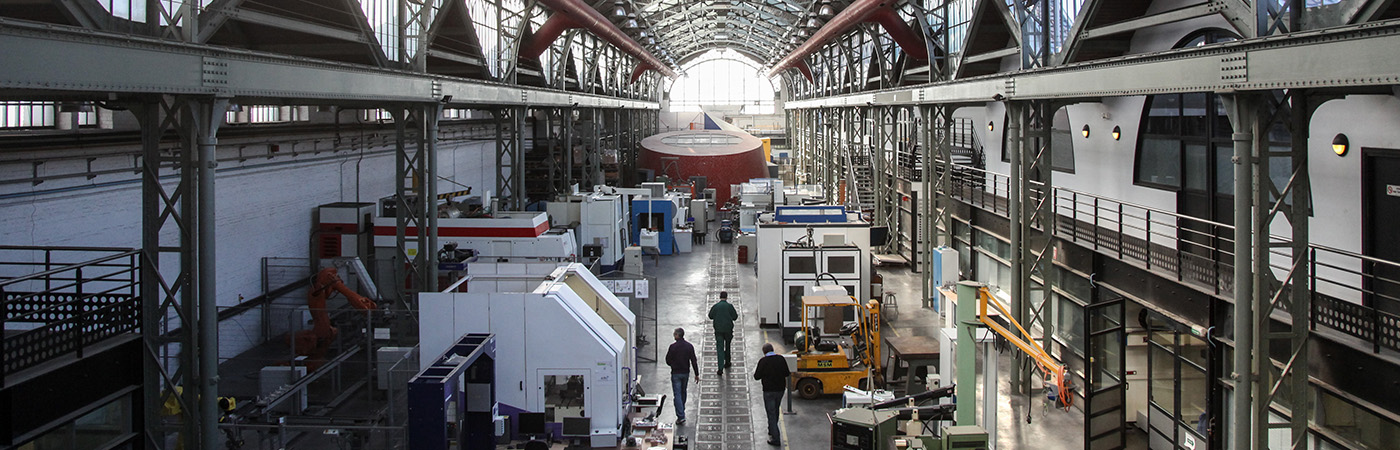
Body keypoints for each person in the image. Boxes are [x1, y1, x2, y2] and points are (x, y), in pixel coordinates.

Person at [753, 343, 791, 446]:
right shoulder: (781, 359)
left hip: (768, 391)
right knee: (775, 411)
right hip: (780, 390)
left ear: (764, 352)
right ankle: (772, 429)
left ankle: (776, 438)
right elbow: (787, 373)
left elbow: (756, 376)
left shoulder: (763, 361)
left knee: (771, 413)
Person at [664, 327, 699, 424]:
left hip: (676, 373)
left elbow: (667, 360)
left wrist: (673, 365)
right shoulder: (689, 346)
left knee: (677, 394)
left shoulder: (673, 347)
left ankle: (681, 415)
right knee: (683, 392)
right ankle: (681, 409)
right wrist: (696, 374)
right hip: (685, 373)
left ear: (677, 335)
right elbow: (693, 361)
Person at [708, 292, 739, 375]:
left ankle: (720, 368)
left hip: (718, 330)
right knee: (728, 345)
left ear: (720, 297)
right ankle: (728, 362)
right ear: (726, 297)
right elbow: (735, 317)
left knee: (720, 348)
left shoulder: (716, 306)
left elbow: (710, 316)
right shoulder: (729, 306)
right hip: (728, 330)